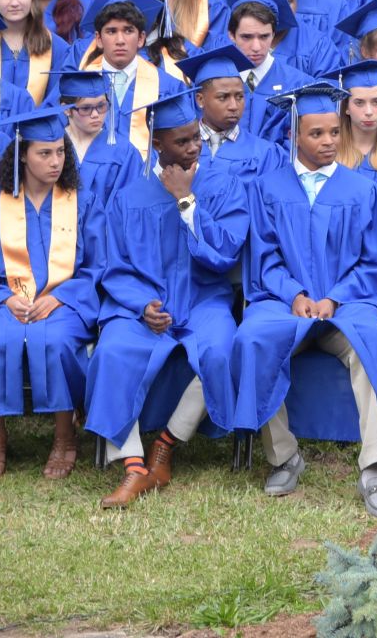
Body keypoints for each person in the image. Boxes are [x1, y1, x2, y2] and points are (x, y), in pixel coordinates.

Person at [230, 83, 377, 515]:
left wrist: (335, 297)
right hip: (285, 304)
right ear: (295, 135)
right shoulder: (268, 189)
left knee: (371, 341)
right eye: (316, 134)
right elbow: (264, 254)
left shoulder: (362, 191)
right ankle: (284, 455)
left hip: (347, 306)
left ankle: (374, 468)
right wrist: (294, 294)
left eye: (333, 132)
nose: (328, 141)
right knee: (254, 337)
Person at [87, 91, 245, 507]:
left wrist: (186, 201)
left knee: (220, 351)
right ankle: (134, 465)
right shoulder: (129, 197)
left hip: (203, 299)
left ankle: (166, 443)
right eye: (182, 141)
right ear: (158, 144)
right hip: (144, 306)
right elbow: (115, 265)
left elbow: (225, 252)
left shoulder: (222, 185)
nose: (193, 147)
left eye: (196, 137)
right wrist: (142, 305)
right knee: (113, 351)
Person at [0, 108, 102, 480]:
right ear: (23, 154)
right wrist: (4, 298)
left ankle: (64, 435)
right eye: (45, 153)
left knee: (56, 340)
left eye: (60, 151)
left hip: (65, 302)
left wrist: (61, 297)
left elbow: (97, 265)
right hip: (4, 300)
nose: (55, 161)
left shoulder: (82, 202)